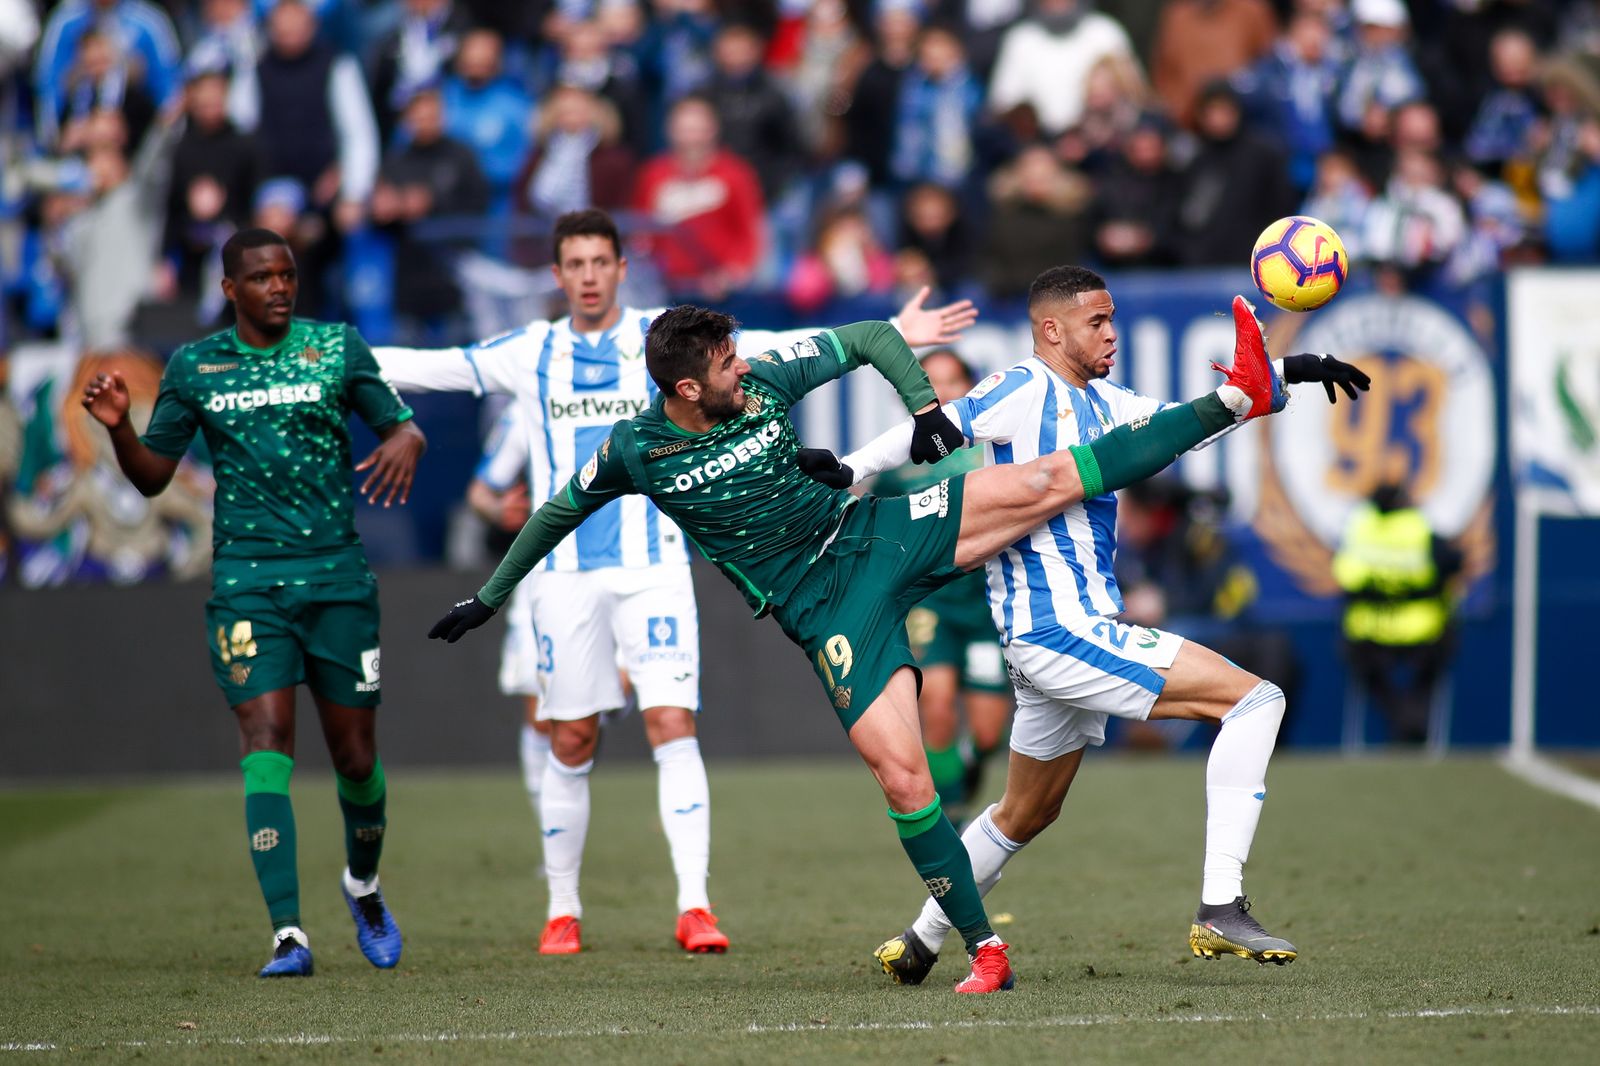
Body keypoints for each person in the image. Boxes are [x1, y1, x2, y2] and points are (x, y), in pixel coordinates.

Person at [425, 284, 1296, 994]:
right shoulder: (635, 451)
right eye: (728, 364)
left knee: (1046, 481)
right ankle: (979, 950)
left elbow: (875, 335)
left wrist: (922, 412)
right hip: (824, 609)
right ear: (686, 389)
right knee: (904, 776)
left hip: (872, 534)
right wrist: (491, 596)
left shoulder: (762, 379)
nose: (744, 368)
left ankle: (1238, 392)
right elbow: (555, 510)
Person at [375, 207, 981, 957]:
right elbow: (444, 367)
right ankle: (562, 908)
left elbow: (760, 353)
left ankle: (694, 904)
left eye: (603, 261)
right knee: (570, 734)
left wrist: (895, 327)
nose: (591, 275)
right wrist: (343, 359)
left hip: (653, 565)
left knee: (672, 722)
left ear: (622, 268)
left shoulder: (667, 341)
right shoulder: (528, 352)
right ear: (557, 275)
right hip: (566, 576)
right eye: (576, 264)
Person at [801, 268, 1370, 985]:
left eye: (1112, 320)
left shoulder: (1110, 401)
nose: (1112, 333)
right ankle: (1221, 904)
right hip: (1060, 630)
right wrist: (847, 472)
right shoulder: (1020, 388)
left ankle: (919, 940)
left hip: (1051, 640)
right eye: (1097, 321)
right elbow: (932, 428)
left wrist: (1292, 370)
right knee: (1257, 700)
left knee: (1023, 813)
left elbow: (1186, 419)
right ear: (1051, 330)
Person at [79, 228, 428, 977]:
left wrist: (408, 438)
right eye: (263, 277)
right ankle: (288, 935)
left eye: (288, 274)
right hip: (248, 584)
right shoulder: (196, 365)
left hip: (336, 579)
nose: (279, 286)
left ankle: (363, 887)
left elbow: (399, 425)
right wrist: (119, 432)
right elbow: (150, 477)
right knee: (265, 741)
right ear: (230, 289)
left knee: (355, 757)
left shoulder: (336, 347)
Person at [869, 349, 1013, 829]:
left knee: (990, 732)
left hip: (989, 599)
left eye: (952, 381)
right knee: (935, 701)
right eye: (932, 384)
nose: (941, 392)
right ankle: (950, 818)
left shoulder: (995, 449)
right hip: (930, 598)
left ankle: (965, 771)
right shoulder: (896, 465)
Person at [1332, 480, 1461, 744]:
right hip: (1422, 630)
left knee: (1361, 662)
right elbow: (1452, 563)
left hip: (1369, 631)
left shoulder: (1360, 527)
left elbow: (1344, 576)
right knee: (1440, 653)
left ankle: (1398, 714)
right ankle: (1409, 717)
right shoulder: (1418, 527)